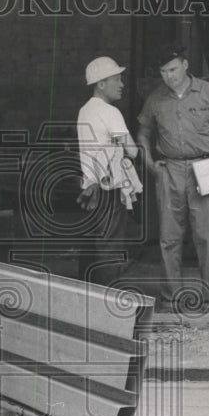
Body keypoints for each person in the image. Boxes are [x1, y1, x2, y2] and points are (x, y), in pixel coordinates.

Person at [137, 43, 209, 311]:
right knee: (169, 238)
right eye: (164, 71)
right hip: (170, 171)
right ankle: (170, 299)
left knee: (207, 238)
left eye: (174, 69)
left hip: (206, 168)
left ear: (186, 65)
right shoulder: (155, 99)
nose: (170, 76)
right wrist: (151, 164)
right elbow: (143, 134)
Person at [76, 56, 142, 285]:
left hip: (90, 188)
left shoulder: (84, 111)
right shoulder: (110, 112)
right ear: (101, 84)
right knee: (110, 246)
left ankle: (86, 297)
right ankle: (108, 300)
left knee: (91, 246)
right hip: (109, 189)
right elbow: (132, 150)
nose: (122, 84)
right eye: (116, 79)